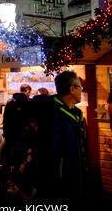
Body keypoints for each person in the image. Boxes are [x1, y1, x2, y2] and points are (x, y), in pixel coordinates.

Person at [36, 70, 88, 202]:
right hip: (60, 180)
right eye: (80, 87)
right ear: (72, 89)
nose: (81, 91)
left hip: (75, 175)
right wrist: (55, 179)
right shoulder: (53, 113)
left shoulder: (76, 113)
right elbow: (50, 149)